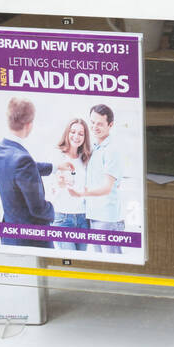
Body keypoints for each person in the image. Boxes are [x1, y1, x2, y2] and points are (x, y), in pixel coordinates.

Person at [0, 98, 54, 249]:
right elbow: (38, 209)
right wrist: (53, 208)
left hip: (9, 234)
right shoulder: (23, 160)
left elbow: (21, 168)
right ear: (29, 125)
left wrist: (55, 167)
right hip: (31, 240)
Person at [69, 104, 125, 253]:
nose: (94, 127)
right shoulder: (93, 147)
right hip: (93, 216)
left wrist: (82, 193)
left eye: (99, 123)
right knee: (101, 263)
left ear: (110, 125)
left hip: (107, 218)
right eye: (92, 122)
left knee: (112, 265)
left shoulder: (112, 150)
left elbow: (107, 187)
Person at [50, 118, 92, 252]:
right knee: (69, 258)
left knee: (79, 261)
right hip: (62, 218)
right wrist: (58, 184)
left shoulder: (86, 158)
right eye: (73, 132)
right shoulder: (57, 155)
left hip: (83, 219)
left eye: (81, 133)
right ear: (67, 133)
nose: (76, 136)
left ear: (85, 137)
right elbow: (47, 185)